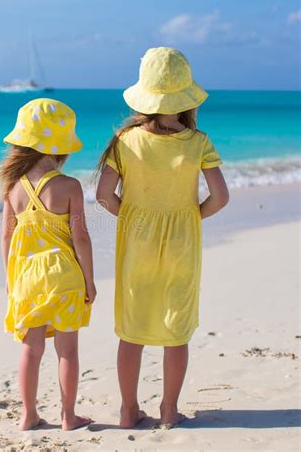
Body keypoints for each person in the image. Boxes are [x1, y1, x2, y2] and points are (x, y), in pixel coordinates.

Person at [95, 47, 229, 429]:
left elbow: (104, 195)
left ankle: (127, 411)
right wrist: (189, 217)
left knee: (132, 329)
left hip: (136, 241)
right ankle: (169, 411)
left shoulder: (125, 140)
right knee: (176, 328)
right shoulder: (198, 142)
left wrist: (135, 218)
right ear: (185, 96)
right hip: (183, 241)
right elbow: (220, 197)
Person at [0, 98, 96, 431]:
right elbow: (80, 238)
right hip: (64, 276)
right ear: (61, 146)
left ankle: (28, 415)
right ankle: (69, 417)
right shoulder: (69, 186)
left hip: (27, 278)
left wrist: (11, 281)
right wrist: (89, 280)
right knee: (67, 350)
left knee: (31, 349)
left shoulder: (13, 188)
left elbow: (6, 239)